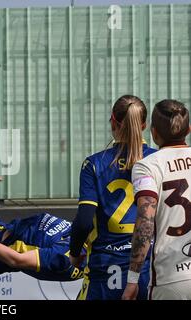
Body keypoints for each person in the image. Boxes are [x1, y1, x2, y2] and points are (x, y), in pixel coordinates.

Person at [68, 95, 156, 300]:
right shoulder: (155, 160)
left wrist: (73, 254)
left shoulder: (94, 163)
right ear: (143, 125)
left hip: (104, 267)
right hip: (146, 269)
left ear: (113, 121)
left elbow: (83, 221)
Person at [122, 100, 191, 300]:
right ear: (188, 129)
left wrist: (133, 279)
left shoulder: (147, 166)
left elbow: (145, 222)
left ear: (153, 132)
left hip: (170, 278)